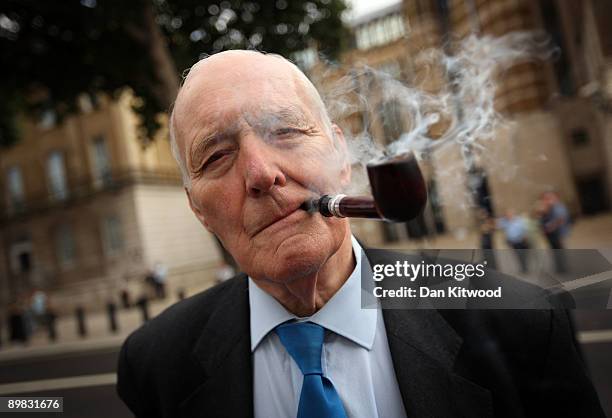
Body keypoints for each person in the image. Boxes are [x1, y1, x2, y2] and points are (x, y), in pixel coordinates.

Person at [117, 51, 604, 418]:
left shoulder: (523, 320)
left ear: (341, 155)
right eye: (216, 156)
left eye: (284, 130)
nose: (261, 173)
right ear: (197, 208)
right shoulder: (156, 367)